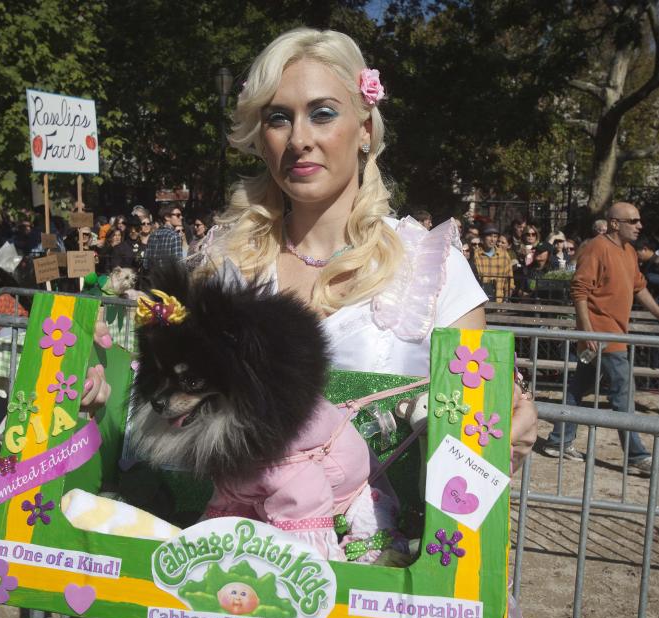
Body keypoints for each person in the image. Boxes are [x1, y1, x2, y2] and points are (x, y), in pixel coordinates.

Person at [196, 25, 536, 483]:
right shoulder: (223, 266)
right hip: (237, 547)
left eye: (322, 113)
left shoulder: (432, 268)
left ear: (365, 129)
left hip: (386, 550)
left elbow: (477, 443)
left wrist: (504, 427)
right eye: (278, 118)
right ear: (261, 140)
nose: (299, 138)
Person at [541, 202, 659, 477]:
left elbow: (639, 288)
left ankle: (558, 441)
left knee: (578, 389)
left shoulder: (628, 251)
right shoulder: (597, 247)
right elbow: (579, 290)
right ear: (615, 223)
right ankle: (637, 455)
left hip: (609, 335)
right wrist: (588, 332)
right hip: (603, 336)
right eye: (634, 220)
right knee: (622, 393)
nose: (640, 225)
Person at [472, 224, 514, 302]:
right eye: (489, 236)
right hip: (481, 300)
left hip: (499, 301)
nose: (492, 239)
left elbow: (509, 282)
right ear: (483, 238)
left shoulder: (504, 255)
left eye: (495, 237)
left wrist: (506, 301)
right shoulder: (476, 254)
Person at [143, 206, 186, 272]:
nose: (181, 217)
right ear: (167, 217)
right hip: (168, 279)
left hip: (152, 278)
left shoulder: (152, 235)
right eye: (178, 215)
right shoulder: (175, 236)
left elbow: (145, 263)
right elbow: (178, 265)